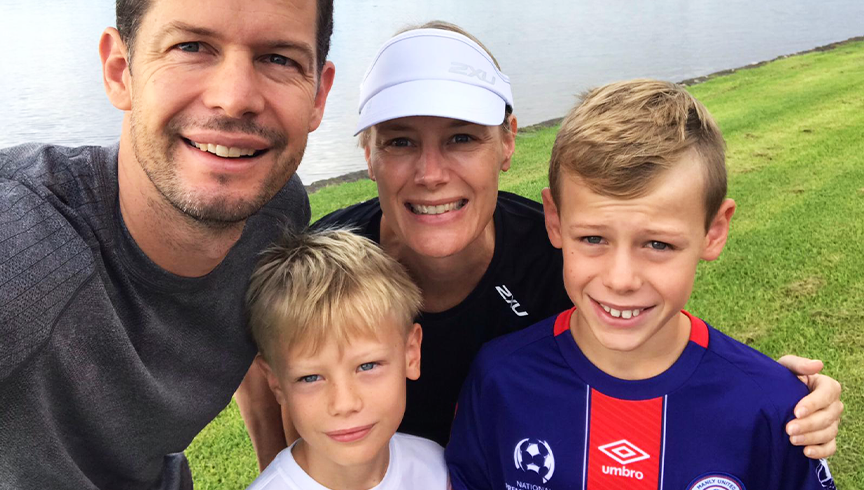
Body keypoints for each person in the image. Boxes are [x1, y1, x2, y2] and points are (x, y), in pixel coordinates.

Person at [235, 22, 843, 470]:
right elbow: (264, 369)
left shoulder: (562, 254)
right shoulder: (324, 264)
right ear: (365, 152)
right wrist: (283, 473)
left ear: (507, 142)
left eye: (461, 139)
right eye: (398, 142)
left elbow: (644, 318)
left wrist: (776, 396)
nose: (430, 173)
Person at [0, 0, 335, 488]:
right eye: (191, 47)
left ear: (319, 95)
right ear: (120, 71)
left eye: (279, 58)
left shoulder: (275, 209)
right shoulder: (25, 244)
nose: (235, 97)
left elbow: (249, 327)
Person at [445, 79, 836, 489]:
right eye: (593, 238)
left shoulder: (774, 408)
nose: (621, 279)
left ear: (714, 231)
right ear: (555, 220)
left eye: (658, 244)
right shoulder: (499, 380)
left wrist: (781, 394)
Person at [244, 227, 448, 490]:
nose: (344, 404)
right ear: (275, 382)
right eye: (310, 377)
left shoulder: (439, 469)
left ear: (411, 353)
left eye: (367, 365)